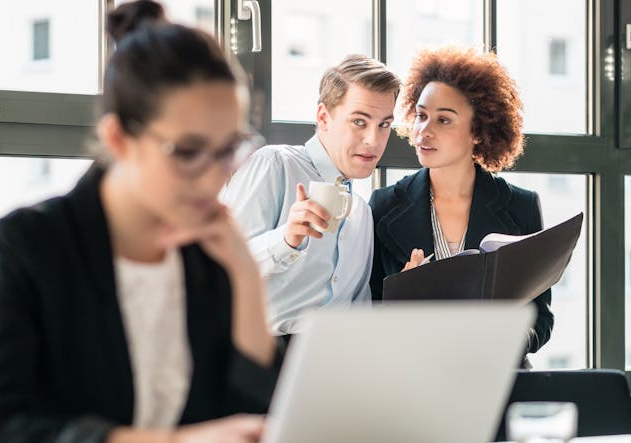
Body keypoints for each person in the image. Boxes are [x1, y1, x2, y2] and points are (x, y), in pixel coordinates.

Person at [0, 0, 282, 443]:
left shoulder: (206, 253)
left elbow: (247, 429)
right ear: (120, 139)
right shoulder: (33, 244)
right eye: (188, 152)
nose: (215, 177)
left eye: (229, 150)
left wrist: (247, 278)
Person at [369, 46, 553, 361]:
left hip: (498, 385)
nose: (424, 131)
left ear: (478, 132)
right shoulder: (384, 205)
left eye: (444, 120)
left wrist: (502, 334)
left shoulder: (521, 207)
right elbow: (368, 314)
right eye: (422, 116)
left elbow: (541, 319)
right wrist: (402, 296)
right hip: (416, 384)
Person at [220, 55, 400, 341]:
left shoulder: (362, 212)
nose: (373, 141)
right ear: (323, 118)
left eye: (384, 125)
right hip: (262, 356)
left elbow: (358, 310)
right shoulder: (276, 165)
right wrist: (287, 239)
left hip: (335, 362)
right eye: (358, 121)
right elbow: (221, 266)